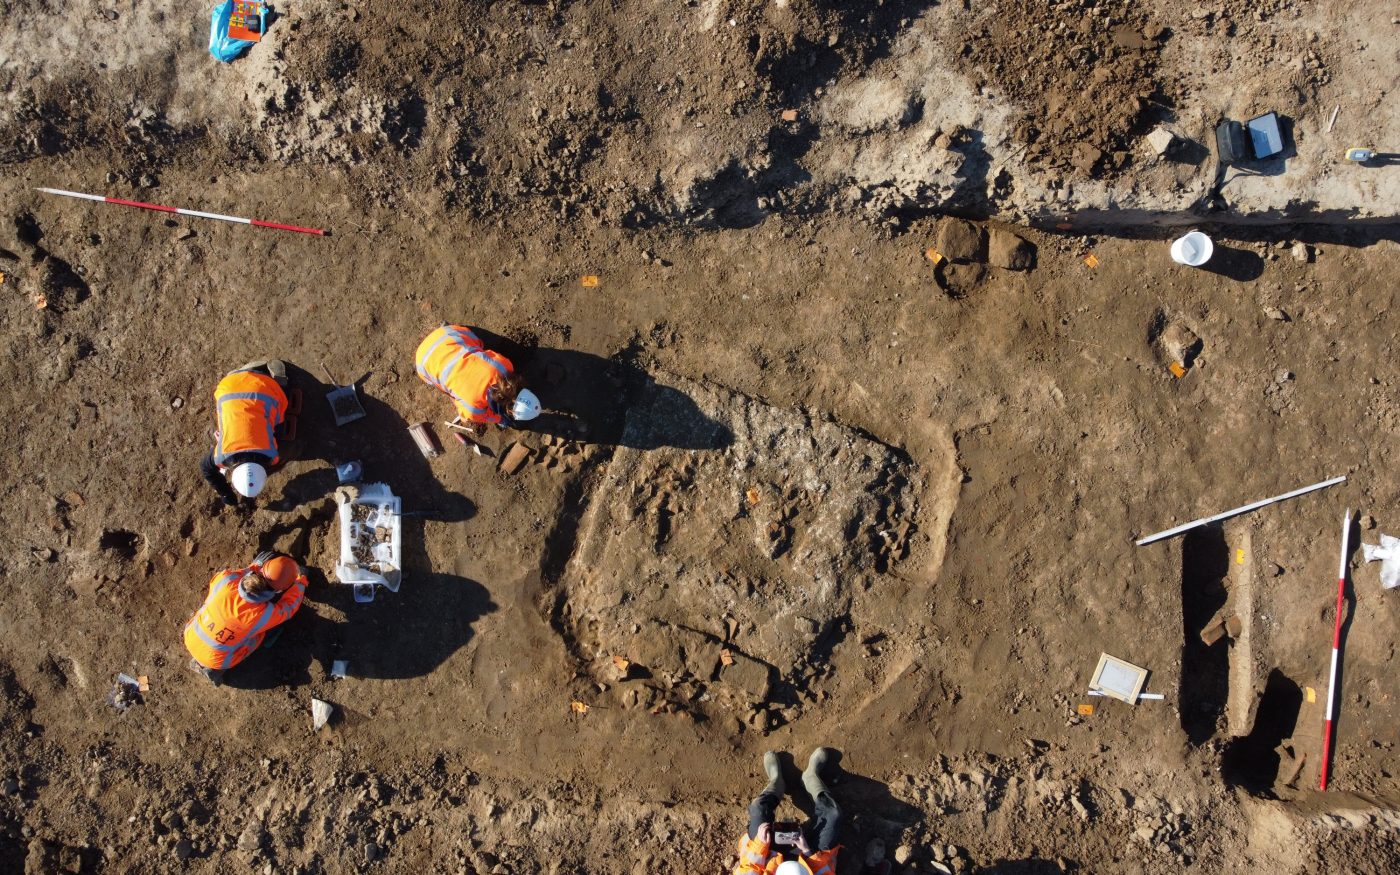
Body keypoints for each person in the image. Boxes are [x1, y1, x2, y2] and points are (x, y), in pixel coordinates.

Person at [183, 551, 308, 684]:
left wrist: (254, 566)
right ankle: (214, 671)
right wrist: (301, 582)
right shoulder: (262, 616)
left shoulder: (225, 580)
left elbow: (241, 574)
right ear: (278, 590)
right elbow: (288, 608)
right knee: (263, 633)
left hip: (190, 635)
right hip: (216, 660)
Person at [734, 748, 842, 875]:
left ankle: (777, 782)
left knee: (758, 808)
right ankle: (811, 778)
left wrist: (760, 845)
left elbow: (748, 868)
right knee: (833, 815)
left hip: (771, 857)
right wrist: (807, 852)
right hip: (807, 862)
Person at [414, 325, 541, 432]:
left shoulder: (505, 365)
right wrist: (501, 419)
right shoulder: (473, 410)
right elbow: (467, 415)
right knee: (450, 393)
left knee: (479, 346)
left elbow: (489, 353)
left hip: (447, 334)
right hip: (422, 363)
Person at [199, 360, 289, 506]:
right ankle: (255, 375)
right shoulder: (223, 453)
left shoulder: (272, 454)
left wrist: (225, 493)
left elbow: (206, 469)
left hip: (256, 385)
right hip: (228, 386)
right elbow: (206, 468)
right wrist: (223, 442)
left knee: (280, 416)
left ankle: (278, 382)